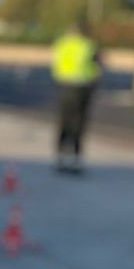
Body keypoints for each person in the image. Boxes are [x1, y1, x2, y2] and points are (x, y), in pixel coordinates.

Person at [51, 18, 103, 174]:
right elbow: (98, 65)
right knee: (78, 124)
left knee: (64, 122)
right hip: (82, 87)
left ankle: (60, 156)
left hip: (64, 86)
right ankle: (75, 158)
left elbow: (56, 62)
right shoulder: (89, 45)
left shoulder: (63, 44)